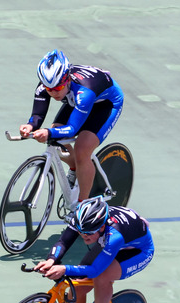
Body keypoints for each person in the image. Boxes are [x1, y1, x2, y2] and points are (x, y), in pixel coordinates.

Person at [34, 196, 154, 303]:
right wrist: (51, 260)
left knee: (102, 276)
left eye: (89, 233)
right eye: (81, 232)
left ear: (102, 226)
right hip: (110, 242)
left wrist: (64, 268)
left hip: (138, 251)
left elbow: (95, 270)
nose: (85, 237)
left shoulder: (114, 235)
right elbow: (63, 241)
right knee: (77, 288)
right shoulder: (83, 219)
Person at [19, 49, 124, 203]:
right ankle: (75, 169)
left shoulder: (85, 91)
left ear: (67, 79)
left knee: (82, 149)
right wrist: (29, 126)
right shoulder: (48, 85)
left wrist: (48, 132)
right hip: (74, 98)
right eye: (49, 89)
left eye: (57, 88)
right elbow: (38, 115)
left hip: (105, 104)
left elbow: (72, 129)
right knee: (55, 140)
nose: (54, 93)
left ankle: (82, 206)